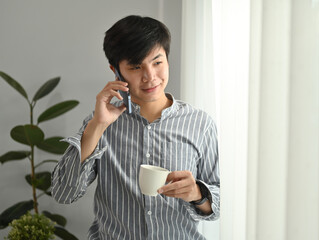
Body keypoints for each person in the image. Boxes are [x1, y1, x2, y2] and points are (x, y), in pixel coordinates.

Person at [51, 15, 220, 240]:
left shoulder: (200, 123)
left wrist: (198, 194)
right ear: (116, 71)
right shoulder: (100, 123)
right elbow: (63, 193)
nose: (150, 77)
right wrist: (97, 126)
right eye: (136, 67)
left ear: (167, 60)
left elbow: (219, 203)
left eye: (157, 62)